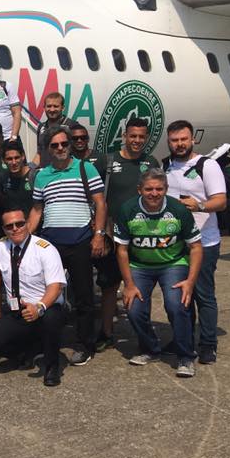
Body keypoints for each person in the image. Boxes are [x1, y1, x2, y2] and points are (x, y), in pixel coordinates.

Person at [28, 127, 107, 366]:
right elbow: (36, 210)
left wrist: (99, 235)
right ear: (48, 149)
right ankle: (46, 342)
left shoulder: (85, 168)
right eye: (55, 145)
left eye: (64, 144)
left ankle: (85, 345)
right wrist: (22, 236)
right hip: (50, 246)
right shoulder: (42, 175)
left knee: (84, 297)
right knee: (46, 296)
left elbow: (101, 204)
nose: (60, 148)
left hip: (81, 242)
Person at [114, 169, 202, 377]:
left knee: (176, 305)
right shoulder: (128, 209)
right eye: (149, 189)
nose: (154, 193)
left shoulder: (178, 211)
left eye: (159, 189)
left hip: (173, 263)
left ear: (166, 189)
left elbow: (196, 247)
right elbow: (122, 250)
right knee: (134, 309)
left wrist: (190, 281)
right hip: (140, 266)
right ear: (139, 190)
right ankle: (150, 348)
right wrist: (128, 284)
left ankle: (186, 356)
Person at [91, 118, 160, 349]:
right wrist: (97, 228)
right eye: (133, 136)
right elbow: (92, 190)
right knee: (109, 285)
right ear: (124, 135)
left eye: (141, 137)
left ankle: (143, 335)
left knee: (141, 284)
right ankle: (107, 332)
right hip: (113, 232)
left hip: (142, 231)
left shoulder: (151, 162)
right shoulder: (108, 160)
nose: (137, 141)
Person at [0, 208, 68, 387]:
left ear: (27, 224)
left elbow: (56, 287)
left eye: (19, 224)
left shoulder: (45, 249)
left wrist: (39, 307)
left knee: (51, 320)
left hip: (46, 307)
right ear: (4, 229)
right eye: (9, 226)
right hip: (18, 311)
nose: (15, 229)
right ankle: (28, 350)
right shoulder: (0, 247)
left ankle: (52, 367)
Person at [164, 119, 227, 365]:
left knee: (203, 294)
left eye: (183, 139)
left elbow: (220, 201)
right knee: (181, 294)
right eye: (174, 140)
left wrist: (199, 204)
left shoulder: (207, 165)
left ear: (193, 139)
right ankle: (183, 339)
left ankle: (208, 344)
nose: (179, 144)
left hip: (204, 242)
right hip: (176, 243)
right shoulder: (166, 165)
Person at [32, 93, 71, 168]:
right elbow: (40, 153)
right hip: (47, 174)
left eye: (56, 106)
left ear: (63, 107)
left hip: (65, 173)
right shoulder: (41, 127)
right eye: (49, 106)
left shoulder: (71, 126)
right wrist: (31, 168)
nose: (52, 110)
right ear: (44, 107)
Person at [0, 140, 34, 216]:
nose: (14, 162)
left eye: (17, 158)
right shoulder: (3, 180)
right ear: (3, 160)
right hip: (16, 226)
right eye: (9, 159)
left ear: (23, 157)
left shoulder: (35, 176)